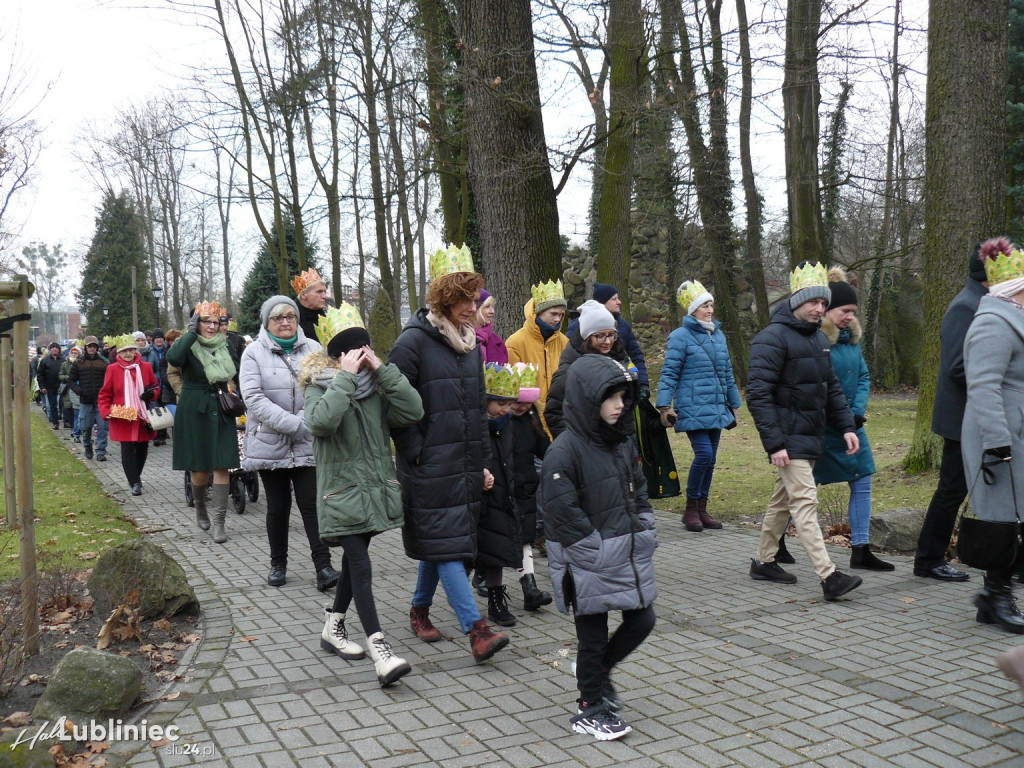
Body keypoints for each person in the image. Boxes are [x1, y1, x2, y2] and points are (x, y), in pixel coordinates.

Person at [389, 243, 509, 663]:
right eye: (462, 297)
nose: (471, 306)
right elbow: (394, 405)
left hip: (462, 462)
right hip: (426, 466)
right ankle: (476, 630)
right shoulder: (412, 343)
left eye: (474, 297)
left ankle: (419, 609)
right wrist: (417, 454)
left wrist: (484, 463)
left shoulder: (471, 344)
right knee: (447, 545)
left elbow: (476, 410)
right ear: (443, 298)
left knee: (446, 540)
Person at [301, 303, 422, 686]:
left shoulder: (377, 384)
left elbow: (413, 411)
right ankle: (380, 651)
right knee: (362, 568)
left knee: (356, 564)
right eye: (353, 350)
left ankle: (333, 626)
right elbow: (320, 423)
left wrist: (382, 371)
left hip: (374, 490)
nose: (360, 354)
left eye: (364, 347)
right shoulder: (318, 384)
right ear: (337, 356)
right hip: (341, 494)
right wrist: (345, 379)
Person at [542, 355, 657, 741]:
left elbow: (638, 488)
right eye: (611, 398)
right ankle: (589, 706)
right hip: (586, 561)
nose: (620, 404)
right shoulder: (564, 450)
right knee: (591, 637)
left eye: (624, 396)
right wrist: (593, 550)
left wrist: (644, 525)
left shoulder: (621, 442)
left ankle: (599, 672)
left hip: (623, 551)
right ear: (589, 399)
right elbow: (560, 512)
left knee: (643, 619)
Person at [746, 261, 863, 602]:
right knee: (805, 502)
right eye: (814, 302)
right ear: (796, 300)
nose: (820, 308)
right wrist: (775, 443)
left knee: (782, 503)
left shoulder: (817, 339)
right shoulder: (770, 339)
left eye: (824, 303)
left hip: (808, 437)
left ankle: (764, 561)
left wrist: (846, 426)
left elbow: (831, 388)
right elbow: (758, 395)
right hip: (788, 439)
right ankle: (829, 576)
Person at [239, 295, 339, 591]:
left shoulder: (314, 348)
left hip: (308, 440)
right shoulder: (253, 353)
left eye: (290, 316)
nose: (285, 322)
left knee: (312, 505)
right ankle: (278, 564)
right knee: (278, 507)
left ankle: (324, 567)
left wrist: (305, 420)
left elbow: (328, 385)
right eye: (278, 317)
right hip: (271, 440)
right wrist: (293, 423)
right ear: (266, 322)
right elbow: (254, 398)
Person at [914, 245, 990, 582]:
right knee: (951, 491)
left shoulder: (982, 303)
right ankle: (928, 559)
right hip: (961, 418)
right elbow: (957, 367)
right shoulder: (966, 306)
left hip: (976, 416)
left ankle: (1004, 560)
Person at [809, 268, 894, 571]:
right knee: (802, 488)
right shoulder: (815, 339)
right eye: (845, 311)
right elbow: (814, 384)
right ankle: (775, 541)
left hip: (851, 426)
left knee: (862, 479)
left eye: (853, 312)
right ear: (828, 309)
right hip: (822, 426)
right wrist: (839, 416)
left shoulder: (853, 341)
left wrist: (856, 413)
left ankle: (861, 549)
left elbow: (863, 377)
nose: (849, 317)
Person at [962, 237, 1024, 633]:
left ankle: (992, 596)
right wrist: (997, 441)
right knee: (1002, 518)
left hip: (1016, 431)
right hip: (1001, 436)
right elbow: (983, 386)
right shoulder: (993, 323)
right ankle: (997, 598)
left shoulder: (1013, 319)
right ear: (1013, 288)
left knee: (1013, 516)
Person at [657, 280, 742, 532]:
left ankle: (702, 509)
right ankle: (690, 509)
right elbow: (669, 373)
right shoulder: (679, 337)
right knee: (704, 454)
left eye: (711, 305)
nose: (710, 310)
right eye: (705, 305)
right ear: (693, 310)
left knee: (712, 458)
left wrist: (734, 404)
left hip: (716, 406)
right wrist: (664, 406)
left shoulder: (719, 335)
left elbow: (727, 373)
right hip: (691, 406)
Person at [167, 301, 240, 543]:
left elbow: (235, 371)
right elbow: (174, 358)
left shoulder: (226, 344)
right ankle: (200, 506)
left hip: (220, 405)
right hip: (194, 406)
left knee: (222, 464)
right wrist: (189, 334)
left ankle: (219, 522)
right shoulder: (187, 344)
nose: (211, 326)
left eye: (215, 322)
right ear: (196, 323)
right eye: (205, 321)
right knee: (200, 469)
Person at [475, 363, 525, 628]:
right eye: (500, 404)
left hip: (501, 495)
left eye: (509, 403)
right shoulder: (475, 424)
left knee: (496, 552)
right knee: (462, 557)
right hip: (477, 496)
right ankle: (429, 602)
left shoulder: (507, 426)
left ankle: (496, 600)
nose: (506, 409)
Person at [545, 299, 634, 440]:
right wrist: (578, 445)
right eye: (600, 336)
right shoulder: (569, 370)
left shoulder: (619, 360)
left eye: (611, 334)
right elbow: (554, 413)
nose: (608, 341)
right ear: (587, 337)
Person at [508, 364, 552, 611]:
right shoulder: (499, 422)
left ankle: (530, 588)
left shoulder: (532, 421)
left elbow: (544, 449)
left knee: (525, 538)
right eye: (516, 401)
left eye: (526, 402)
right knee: (495, 539)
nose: (520, 407)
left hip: (525, 488)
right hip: (503, 489)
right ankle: (480, 576)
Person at [97, 334, 160, 496]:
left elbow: (156, 387)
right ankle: (134, 482)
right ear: (118, 353)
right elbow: (104, 394)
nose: (128, 354)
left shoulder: (145, 367)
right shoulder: (112, 369)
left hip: (142, 415)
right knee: (126, 450)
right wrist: (106, 412)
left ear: (135, 351)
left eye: (131, 350)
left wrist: (150, 395)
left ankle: (136, 476)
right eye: (124, 351)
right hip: (122, 415)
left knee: (142, 448)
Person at [506, 279, 569, 437]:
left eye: (561, 315)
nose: (557, 319)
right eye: (553, 314)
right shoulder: (515, 343)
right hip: (530, 419)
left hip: (560, 418)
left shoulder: (565, 342)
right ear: (538, 312)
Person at [567, 283, 649, 397]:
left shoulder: (623, 326)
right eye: (614, 299)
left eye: (611, 335)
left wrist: (642, 383)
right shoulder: (578, 326)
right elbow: (570, 358)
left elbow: (635, 356)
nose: (619, 302)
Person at [71, 336, 110, 462]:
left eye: (94, 346)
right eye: (89, 346)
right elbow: (70, 381)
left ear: (97, 347)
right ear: (86, 347)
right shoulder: (78, 363)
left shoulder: (104, 362)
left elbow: (109, 381)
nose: (92, 348)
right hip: (85, 401)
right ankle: (87, 446)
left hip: (101, 401)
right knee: (85, 427)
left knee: (103, 427)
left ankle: (100, 451)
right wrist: (79, 391)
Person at [293, 267, 330, 342]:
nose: (324, 296)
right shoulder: (290, 319)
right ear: (303, 295)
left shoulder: (325, 319)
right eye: (319, 292)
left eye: (324, 292)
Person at [474, 289, 508, 364]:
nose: (492, 311)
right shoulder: (463, 339)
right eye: (487, 307)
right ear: (475, 309)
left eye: (492, 306)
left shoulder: (497, 341)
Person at [37, 342, 64, 429]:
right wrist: (42, 387)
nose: (55, 349)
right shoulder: (45, 361)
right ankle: (55, 422)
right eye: (53, 348)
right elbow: (40, 374)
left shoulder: (63, 360)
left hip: (62, 385)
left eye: (57, 348)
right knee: (52, 405)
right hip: (50, 386)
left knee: (62, 404)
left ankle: (65, 421)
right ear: (50, 349)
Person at [60, 345, 82, 441]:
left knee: (78, 411)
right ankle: (74, 430)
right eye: (72, 353)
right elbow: (60, 375)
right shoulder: (65, 364)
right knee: (71, 409)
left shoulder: (82, 363)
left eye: (75, 353)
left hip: (79, 388)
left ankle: (76, 430)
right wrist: (69, 378)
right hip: (68, 389)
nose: (73, 354)